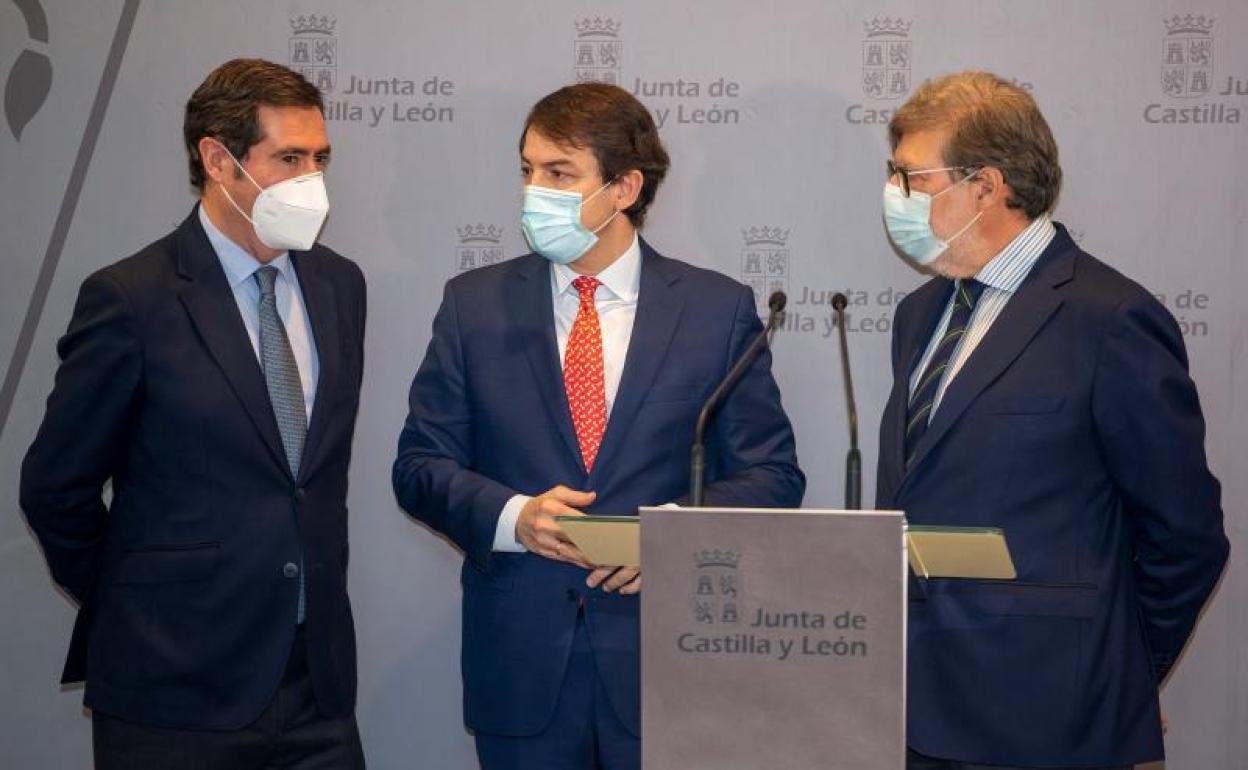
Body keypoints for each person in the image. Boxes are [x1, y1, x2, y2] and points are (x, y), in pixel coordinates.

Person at [393, 82, 804, 770]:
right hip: (521, 670)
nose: (533, 192)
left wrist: (670, 537)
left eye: (558, 174)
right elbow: (418, 466)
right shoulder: (473, 306)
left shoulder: (715, 309)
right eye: (526, 170)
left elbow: (772, 476)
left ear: (624, 187)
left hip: (669, 665)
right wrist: (513, 517)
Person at [875, 70, 1228, 769]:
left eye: (913, 178)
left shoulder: (1111, 319)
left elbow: (1184, 536)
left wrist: (1116, 674)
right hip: (913, 707)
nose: (896, 197)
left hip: (1053, 720)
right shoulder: (920, 315)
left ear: (987, 185)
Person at [20, 59, 367, 769]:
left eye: (320, 159)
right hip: (172, 690)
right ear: (218, 159)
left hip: (316, 690)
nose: (312, 181)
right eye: (289, 158)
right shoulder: (131, 298)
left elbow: (306, 481)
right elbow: (56, 487)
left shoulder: (339, 285)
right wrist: (145, 600)